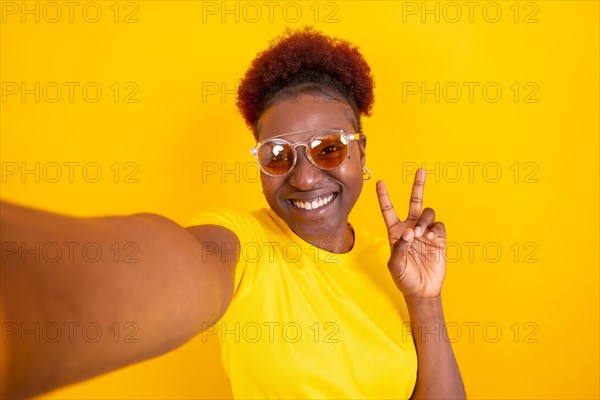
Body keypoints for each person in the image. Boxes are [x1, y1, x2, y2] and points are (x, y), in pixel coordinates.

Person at [0, 27, 465, 399]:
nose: (303, 178)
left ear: (360, 152)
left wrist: (425, 299)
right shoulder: (243, 245)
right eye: (278, 155)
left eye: (327, 148)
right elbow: (179, 262)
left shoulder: (392, 262)